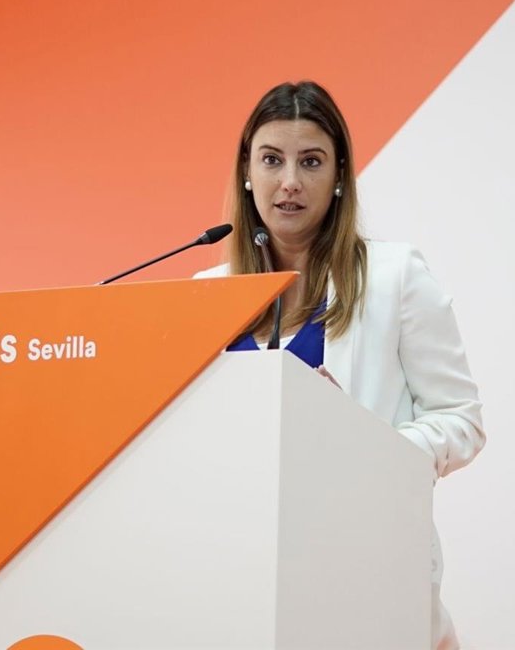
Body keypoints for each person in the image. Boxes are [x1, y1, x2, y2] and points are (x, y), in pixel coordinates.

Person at [196, 80, 485, 649]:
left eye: (311, 162)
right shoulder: (206, 294)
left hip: (363, 570)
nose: (290, 182)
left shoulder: (394, 277)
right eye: (272, 160)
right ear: (247, 171)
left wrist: (361, 441)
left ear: (338, 176)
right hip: (237, 572)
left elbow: (462, 421)